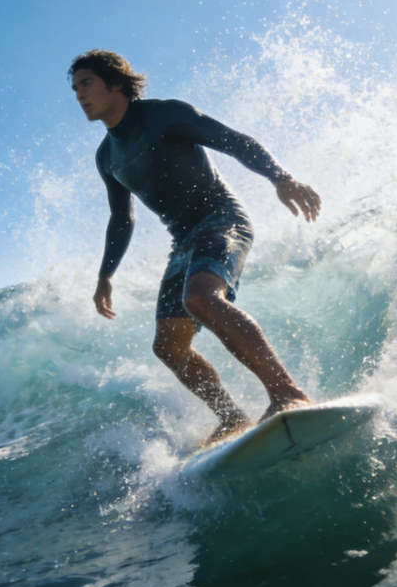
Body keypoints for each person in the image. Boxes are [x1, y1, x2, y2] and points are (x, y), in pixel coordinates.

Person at [69, 49, 322, 444]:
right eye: (75, 88)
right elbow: (122, 219)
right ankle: (231, 417)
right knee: (168, 347)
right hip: (183, 241)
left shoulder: (164, 115)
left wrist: (281, 178)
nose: (79, 94)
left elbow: (233, 141)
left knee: (201, 298)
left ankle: (287, 392)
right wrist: (105, 275)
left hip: (222, 220)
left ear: (115, 83)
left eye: (86, 83)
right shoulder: (106, 157)